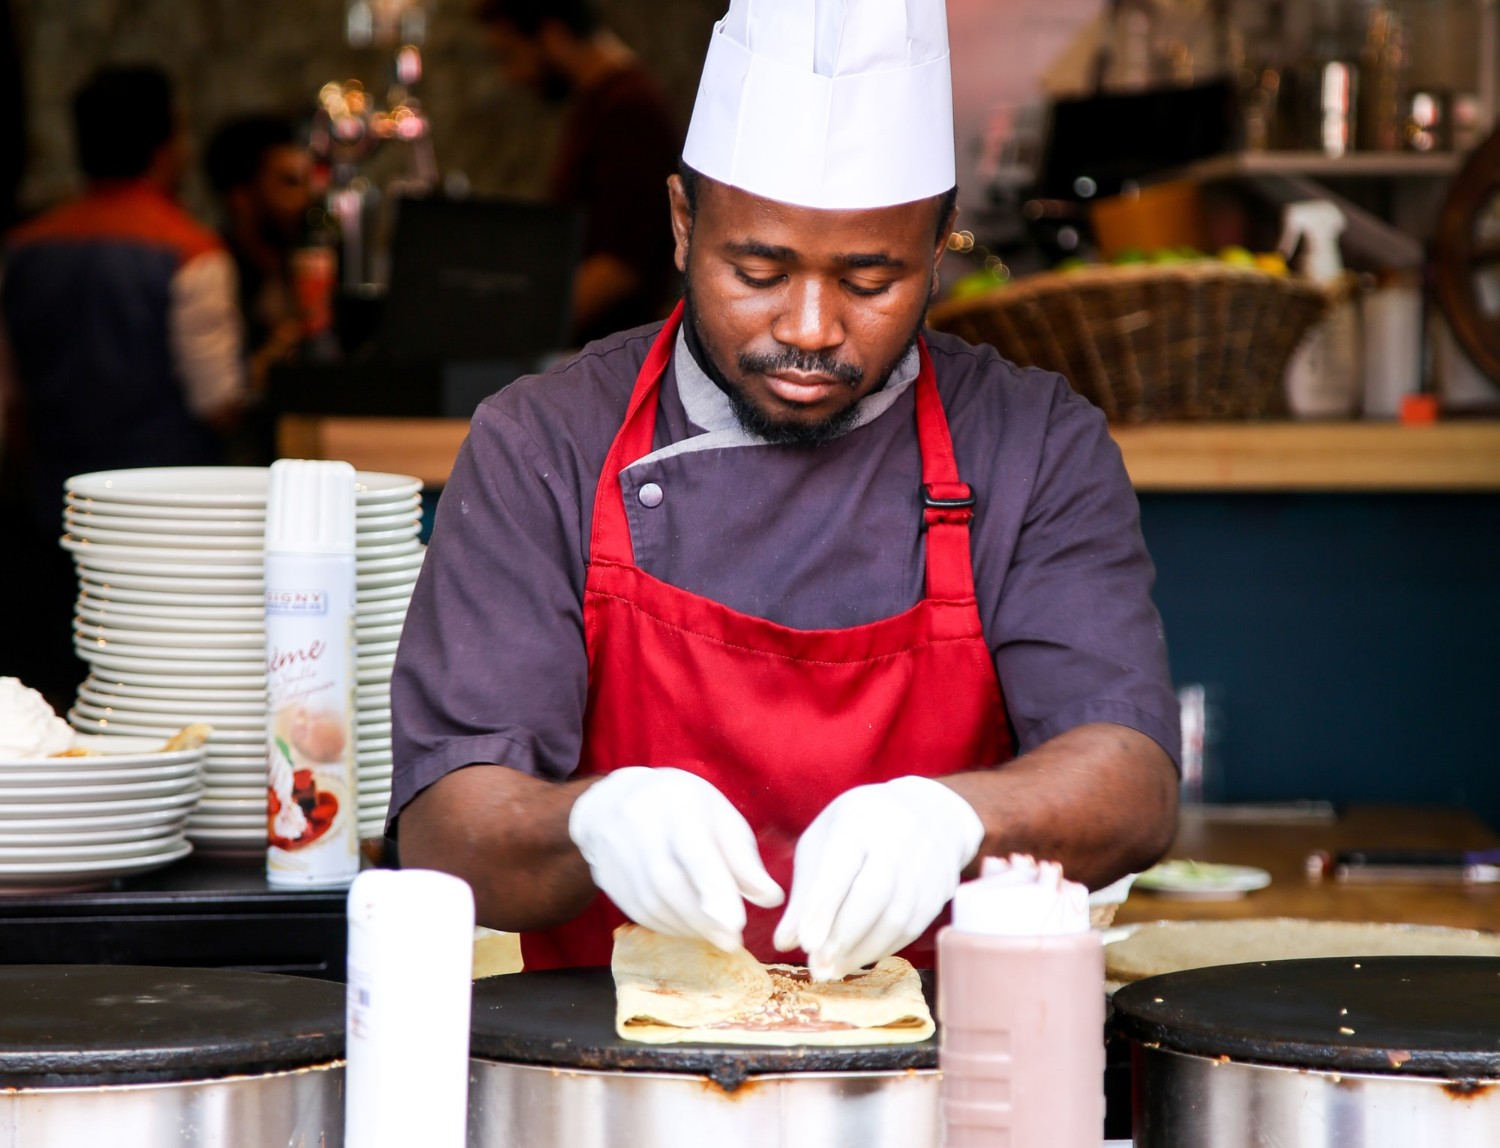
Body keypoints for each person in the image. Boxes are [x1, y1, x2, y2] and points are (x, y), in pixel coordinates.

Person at [394, 0, 1180, 980]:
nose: (809, 327)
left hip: (944, 1079)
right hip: (605, 1084)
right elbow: (444, 829)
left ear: (940, 251)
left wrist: (953, 819)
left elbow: (1132, 781)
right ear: (682, 225)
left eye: (870, 280)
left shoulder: (1032, 444)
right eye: (757, 270)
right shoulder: (545, 441)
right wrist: (588, 824)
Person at [0, 65, 244, 708]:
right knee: (155, 700)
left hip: (53, 523)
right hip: (166, 534)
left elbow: (10, 404)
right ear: (169, 145)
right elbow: (217, 402)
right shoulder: (191, 251)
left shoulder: (22, 250)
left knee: (60, 700)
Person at [475, 0, 681, 345]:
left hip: (609, 362)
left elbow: (619, 266)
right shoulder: (600, 102)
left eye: (510, 55)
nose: (512, 75)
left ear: (553, 36)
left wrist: (515, 335)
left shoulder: (629, 110)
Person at [204, 114, 312, 396]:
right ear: (240, 195)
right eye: (290, 182)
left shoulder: (309, 264)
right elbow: (221, 394)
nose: (305, 198)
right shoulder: (211, 276)